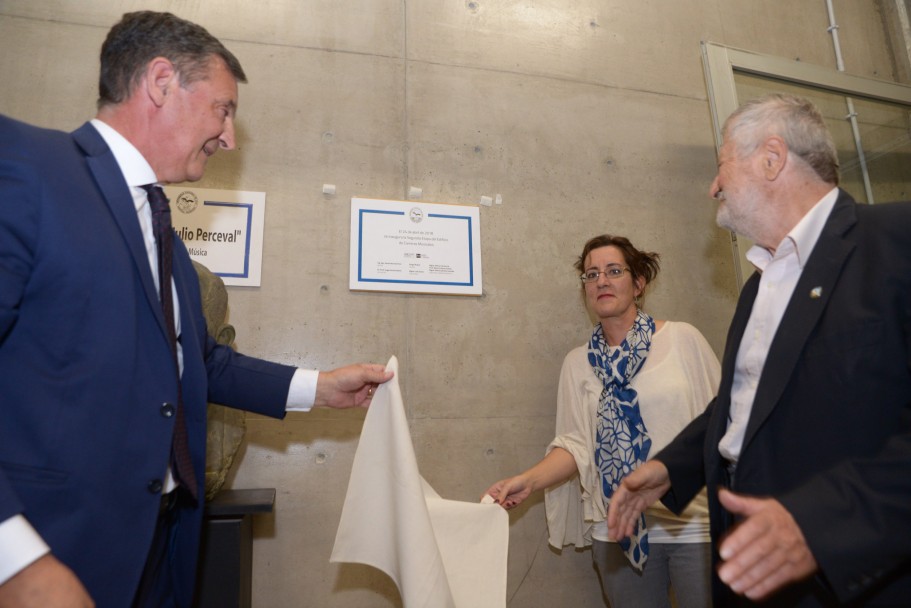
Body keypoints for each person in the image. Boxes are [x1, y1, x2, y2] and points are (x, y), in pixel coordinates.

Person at [0, 11, 392, 608]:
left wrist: (319, 387)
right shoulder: (26, 167)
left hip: (159, 549)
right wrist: (18, 562)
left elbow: (200, 359)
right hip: (53, 551)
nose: (230, 138)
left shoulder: (164, 237)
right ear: (161, 82)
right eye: (224, 109)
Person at [607, 93, 911, 607]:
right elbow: (747, 402)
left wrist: (823, 523)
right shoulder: (758, 284)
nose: (713, 187)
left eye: (721, 167)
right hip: (748, 564)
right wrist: (673, 466)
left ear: (772, 159)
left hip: (853, 574)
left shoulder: (897, 242)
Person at [485, 235, 720, 608]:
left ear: (638, 283)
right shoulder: (578, 363)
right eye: (591, 274)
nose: (601, 281)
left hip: (694, 525)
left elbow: (723, 424)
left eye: (614, 271)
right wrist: (527, 480)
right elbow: (575, 446)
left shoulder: (683, 340)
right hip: (617, 530)